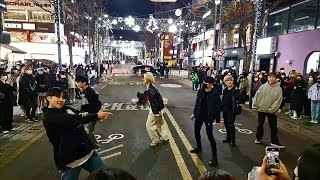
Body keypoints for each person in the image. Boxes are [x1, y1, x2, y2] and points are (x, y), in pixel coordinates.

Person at [42, 87, 112, 180]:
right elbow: (73, 119)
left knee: (104, 175)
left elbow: (79, 114)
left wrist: (93, 116)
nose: (61, 100)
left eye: (63, 98)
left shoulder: (65, 108)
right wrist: (96, 116)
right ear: (49, 98)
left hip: (86, 151)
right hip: (70, 158)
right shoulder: (49, 117)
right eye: (58, 97)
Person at [190, 76, 222, 167]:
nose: (204, 84)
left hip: (208, 118)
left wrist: (218, 120)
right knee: (196, 131)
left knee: (210, 136)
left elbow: (218, 108)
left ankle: (214, 158)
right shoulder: (200, 91)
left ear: (211, 84)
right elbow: (197, 103)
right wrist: (194, 113)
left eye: (206, 83)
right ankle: (198, 147)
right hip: (199, 115)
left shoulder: (215, 94)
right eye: (204, 82)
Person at [253, 72, 284, 148]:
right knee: (260, 125)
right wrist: (256, 104)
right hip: (261, 109)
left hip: (272, 111)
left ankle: (274, 141)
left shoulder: (279, 89)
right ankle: (258, 138)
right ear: (268, 78)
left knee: (273, 126)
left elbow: (278, 100)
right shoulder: (263, 86)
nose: (271, 78)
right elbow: (257, 96)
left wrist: (272, 109)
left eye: (273, 77)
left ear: (276, 78)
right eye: (270, 77)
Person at [76, 76, 102, 150]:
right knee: (85, 130)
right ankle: (90, 146)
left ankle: (95, 146)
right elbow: (84, 104)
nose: (77, 83)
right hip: (87, 114)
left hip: (91, 114)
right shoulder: (85, 91)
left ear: (84, 83)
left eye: (78, 82)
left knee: (87, 130)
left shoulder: (89, 92)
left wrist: (93, 114)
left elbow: (96, 104)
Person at [143, 73, 169, 146]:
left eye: (144, 78)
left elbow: (155, 103)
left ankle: (155, 140)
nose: (143, 79)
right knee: (160, 124)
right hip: (159, 110)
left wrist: (156, 113)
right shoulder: (151, 87)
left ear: (147, 80)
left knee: (149, 126)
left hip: (155, 111)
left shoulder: (151, 89)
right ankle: (165, 137)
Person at [222, 75, 243, 146]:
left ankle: (233, 140)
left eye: (230, 80)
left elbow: (241, 99)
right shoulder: (225, 90)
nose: (229, 82)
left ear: (233, 81)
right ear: (225, 82)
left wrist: (238, 104)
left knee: (231, 124)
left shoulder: (236, 90)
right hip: (225, 109)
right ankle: (228, 137)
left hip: (232, 110)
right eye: (227, 80)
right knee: (226, 124)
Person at [0, 69, 16, 133]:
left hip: (9, 100)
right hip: (3, 101)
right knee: (3, 115)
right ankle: (4, 128)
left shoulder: (5, 82)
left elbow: (12, 89)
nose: (5, 76)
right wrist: (6, 84)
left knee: (9, 114)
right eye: (3, 75)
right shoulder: (1, 83)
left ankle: (9, 126)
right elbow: (4, 89)